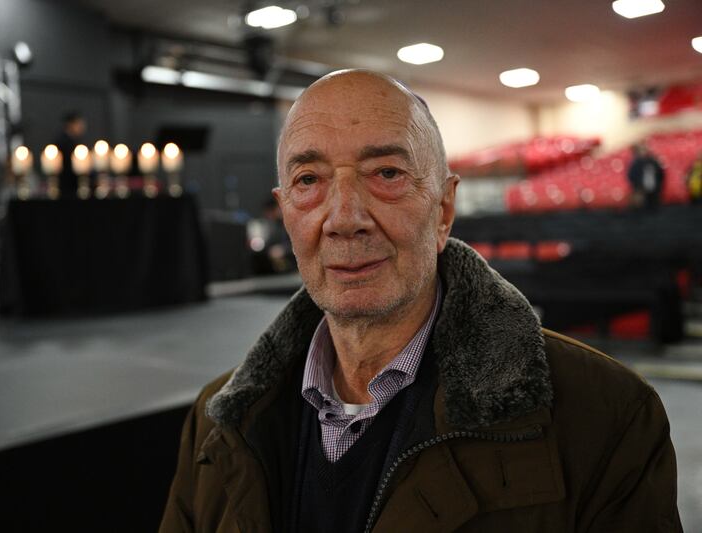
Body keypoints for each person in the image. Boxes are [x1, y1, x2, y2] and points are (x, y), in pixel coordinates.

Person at [161, 70, 681, 532]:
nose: (344, 218)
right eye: (309, 180)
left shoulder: (606, 415)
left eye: (386, 173)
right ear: (285, 211)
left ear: (444, 211)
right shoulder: (218, 422)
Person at [54, 111, 87, 198]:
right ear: (70, 124)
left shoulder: (72, 141)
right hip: (68, 187)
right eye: (79, 124)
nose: (82, 127)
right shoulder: (64, 142)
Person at [627, 143, 665, 209]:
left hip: (654, 191)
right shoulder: (635, 164)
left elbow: (661, 174)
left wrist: (659, 186)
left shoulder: (653, 161)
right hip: (641, 191)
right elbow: (631, 176)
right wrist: (638, 188)